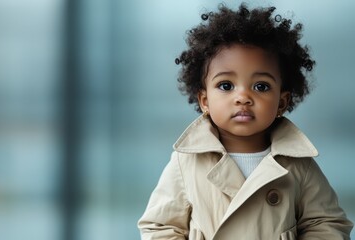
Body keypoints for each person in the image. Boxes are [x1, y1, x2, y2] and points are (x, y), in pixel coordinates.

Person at [138, 3, 353, 240]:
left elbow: (327, 223)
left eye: (261, 86)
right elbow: (160, 226)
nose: (243, 97)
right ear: (204, 100)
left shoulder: (297, 164)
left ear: (281, 102)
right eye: (226, 86)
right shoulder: (187, 162)